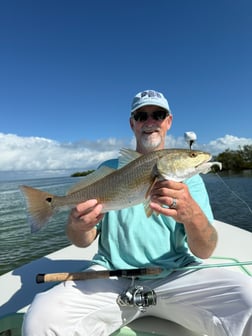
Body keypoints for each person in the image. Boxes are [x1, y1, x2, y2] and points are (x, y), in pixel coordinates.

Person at [22, 89, 252, 336]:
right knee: (40, 321)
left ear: (168, 121)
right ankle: (50, 204)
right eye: (142, 116)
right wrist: (79, 226)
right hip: (110, 278)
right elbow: (82, 241)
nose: (150, 121)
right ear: (133, 123)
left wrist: (192, 214)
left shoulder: (192, 181)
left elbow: (205, 250)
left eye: (158, 114)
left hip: (178, 275)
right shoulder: (107, 170)